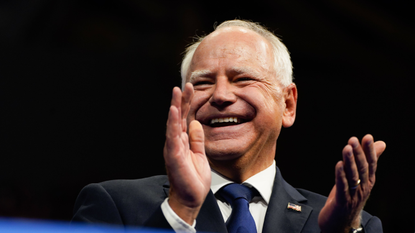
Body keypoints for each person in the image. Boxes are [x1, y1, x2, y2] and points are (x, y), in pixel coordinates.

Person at [72, 20, 386, 233]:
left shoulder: (351, 223)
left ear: (287, 104)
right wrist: (180, 211)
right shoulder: (112, 205)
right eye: (204, 82)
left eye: (243, 78)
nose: (221, 96)